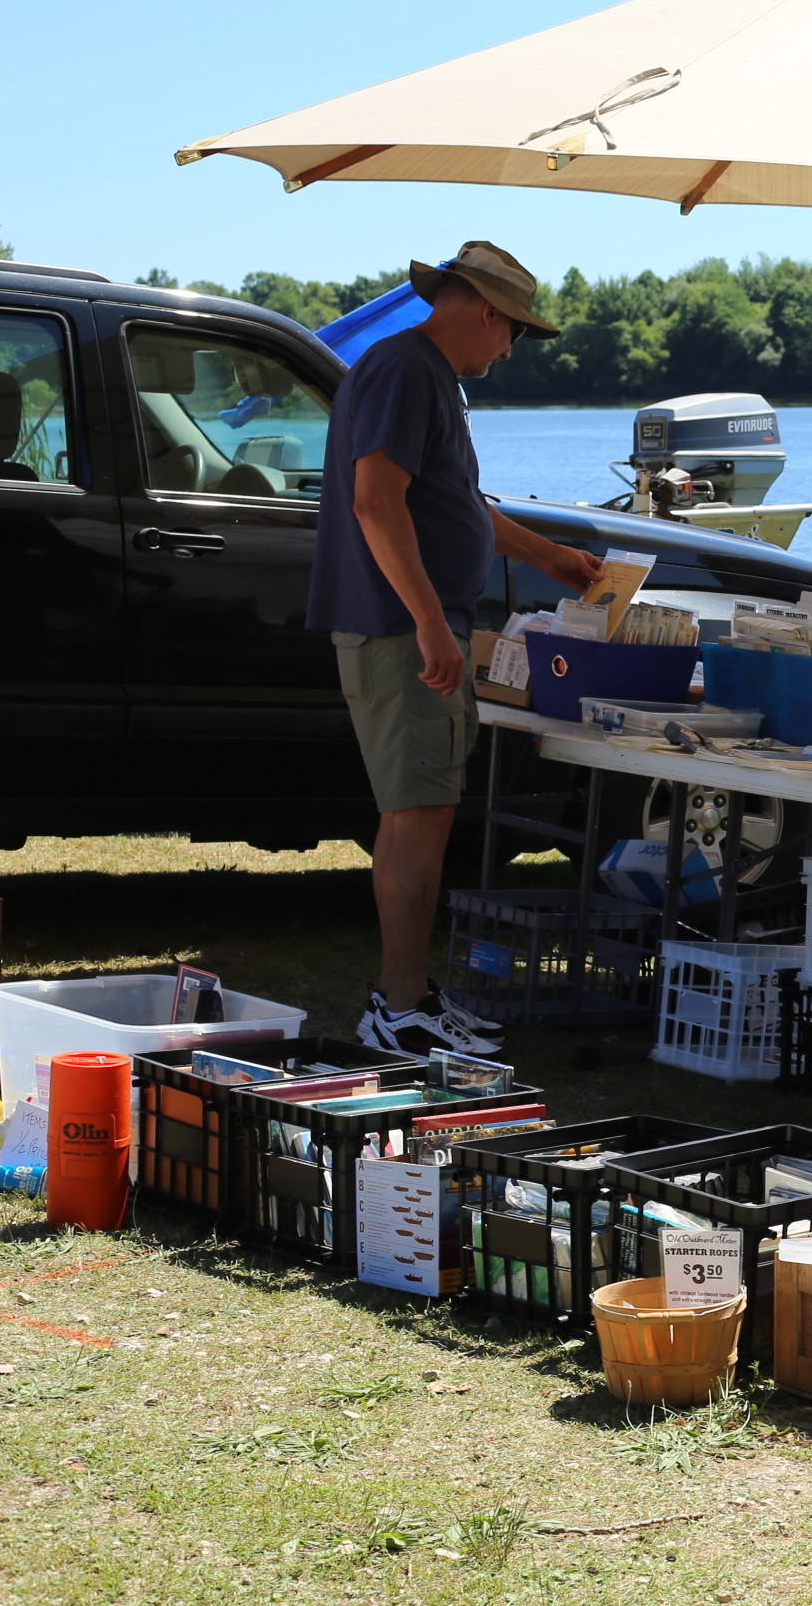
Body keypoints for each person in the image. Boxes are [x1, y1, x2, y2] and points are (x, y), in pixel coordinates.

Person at [307, 241, 603, 1058]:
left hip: (412, 628)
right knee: (416, 815)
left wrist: (551, 557)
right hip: (400, 631)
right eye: (513, 332)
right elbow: (376, 503)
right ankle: (399, 1010)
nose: (509, 351)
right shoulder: (405, 370)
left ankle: (410, 999)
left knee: (428, 811)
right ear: (484, 312)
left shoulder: (425, 375)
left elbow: (456, 503)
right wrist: (431, 622)